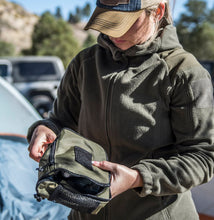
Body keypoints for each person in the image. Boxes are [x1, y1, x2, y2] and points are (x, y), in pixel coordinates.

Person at [27, 0, 214, 219]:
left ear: (158, 11)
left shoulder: (183, 72)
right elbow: (60, 121)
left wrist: (138, 177)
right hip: (85, 212)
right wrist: (44, 128)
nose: (113, 31)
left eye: (124, 21)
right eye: (107, 20)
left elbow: (202, 158)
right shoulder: (84, 64)